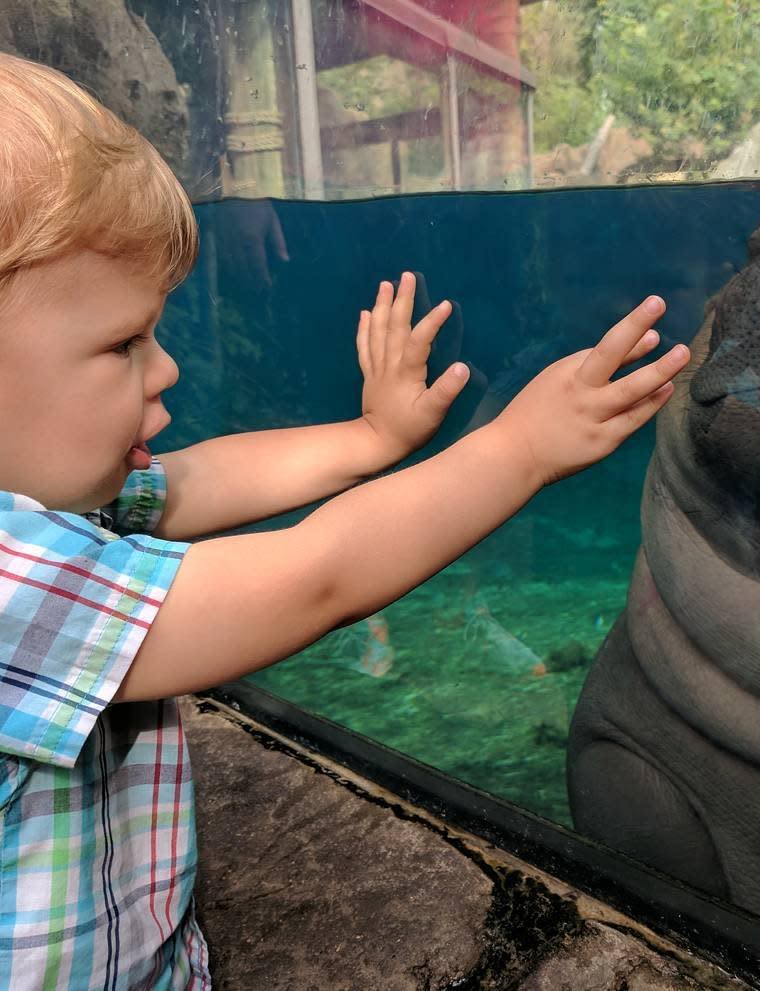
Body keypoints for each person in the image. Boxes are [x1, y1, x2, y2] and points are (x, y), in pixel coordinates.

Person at [0, 52, 690, 988]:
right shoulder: (13, 582)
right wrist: (520, 447)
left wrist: (369, 437)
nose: (165, 371)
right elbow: (312, 574)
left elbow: (201, 479)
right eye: (124, 343)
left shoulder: (58, 504)